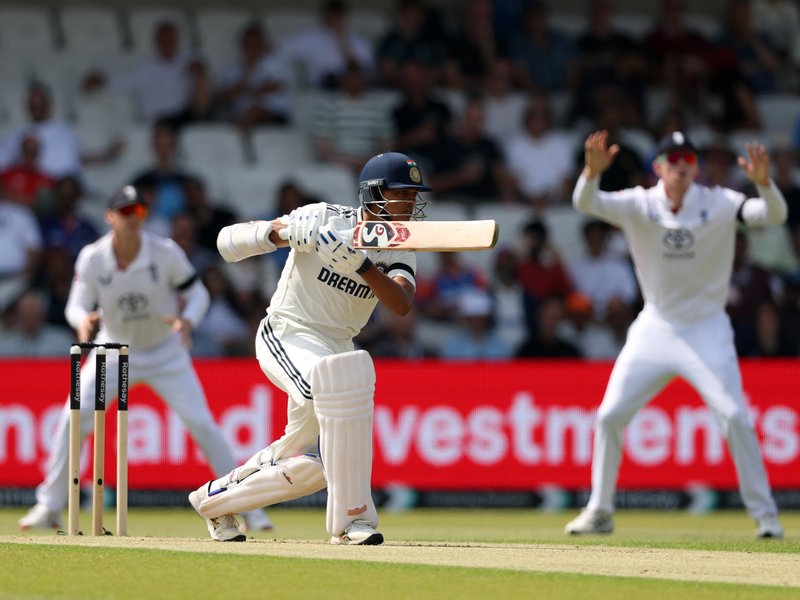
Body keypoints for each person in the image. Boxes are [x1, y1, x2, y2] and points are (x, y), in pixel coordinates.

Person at [188, 151, 430, 545]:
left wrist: (362, 267)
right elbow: (225, 243)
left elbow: (401, 305)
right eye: (402, 194)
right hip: (288, 331)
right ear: (374, 193)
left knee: (315, 462)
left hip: (336, 345)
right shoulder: (324, 218)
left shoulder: (399, 249)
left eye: (414, 196)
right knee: (342, 388)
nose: (411, 204)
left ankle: (213, 501)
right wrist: (282, 233)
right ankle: (352, 521)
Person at [564, 130, 787, 539]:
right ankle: (600, 510)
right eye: (672, 159)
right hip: (656, 326)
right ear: (658, 167)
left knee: (736, 416)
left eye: (688, 159)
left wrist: (764, 183)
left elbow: (772, 216)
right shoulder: (638, 202)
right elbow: (585, 202)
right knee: (610, 417)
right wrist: (591, 174)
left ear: (695, 167)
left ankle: (766, 518)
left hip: (707, 328)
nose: (681, 165)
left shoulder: (719, 202)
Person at [18, 186, 272, 533]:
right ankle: (48, 505)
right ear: (110, 217)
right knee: (71, 420)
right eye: (125, 212)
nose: (133, 219)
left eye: (139, 212)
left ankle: (249, 508)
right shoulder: (93, 258)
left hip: (165, 352)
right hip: (112, 350)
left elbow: (196, 292)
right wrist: (82, 321)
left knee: (202, 425)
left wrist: (188, 321)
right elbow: (75, 304)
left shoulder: (164, 252)